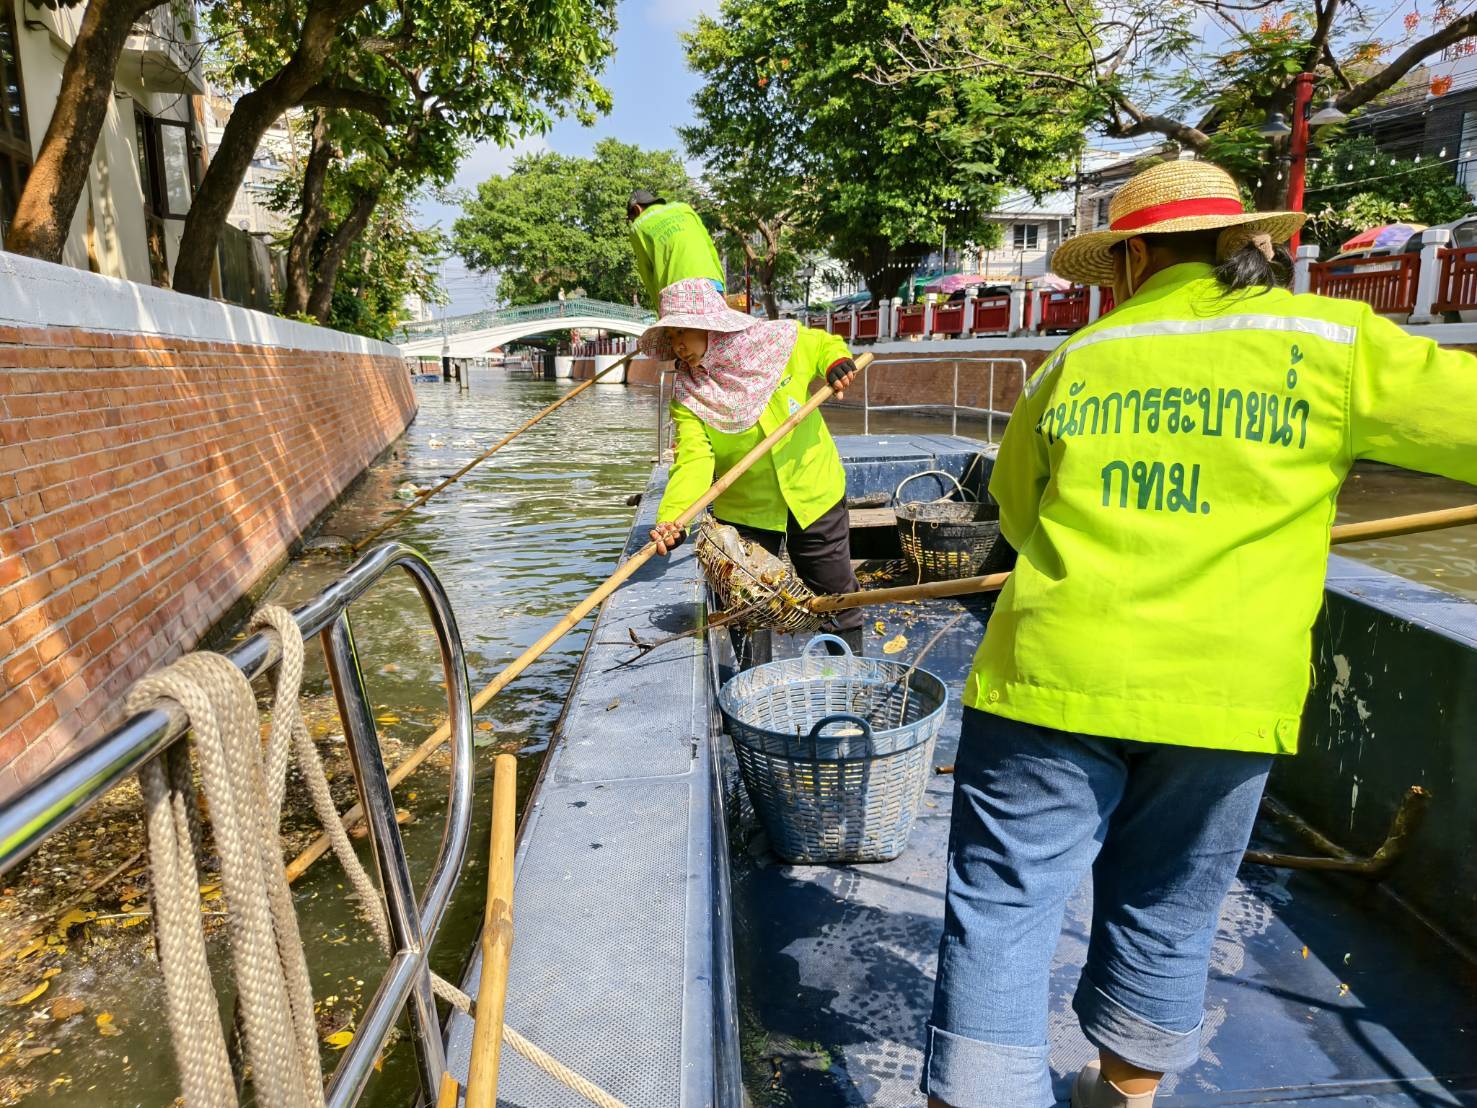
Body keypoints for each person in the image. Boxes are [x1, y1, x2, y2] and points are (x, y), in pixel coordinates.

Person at [923, 159, 1477, 1108]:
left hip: (1051, 673)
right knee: (1169, 906)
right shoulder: (1333, 340)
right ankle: (1125, 1096)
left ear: (1133, 258)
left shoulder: (1074, 358)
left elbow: (1015, 513)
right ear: (1241, 244)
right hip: (1224, 692)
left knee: (1004, 906)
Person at [644, 277, 865, 659]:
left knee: (835, 596)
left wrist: (836, 362)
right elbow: (694, 458)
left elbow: (821, 345)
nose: (677, 345)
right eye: (671, 335)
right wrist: (674, 519)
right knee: (747, 606)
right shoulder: (689, 393)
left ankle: (848, 673)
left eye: (682, 331)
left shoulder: (777, 342)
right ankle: (752, 680)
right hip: (745, 510)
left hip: (812, 490)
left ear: (710, 325)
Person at [627, 189, 726, 309]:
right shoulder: (684, 208)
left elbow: (647, 274)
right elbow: (710, 248)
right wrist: (722, 288)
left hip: (678, 292)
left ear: (636, 209)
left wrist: (659, 309)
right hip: (713, 284)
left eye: (631, 219)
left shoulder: (637, 227)